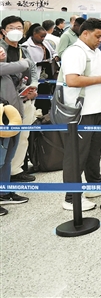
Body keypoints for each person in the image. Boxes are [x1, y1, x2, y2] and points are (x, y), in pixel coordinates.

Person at [60, 18, 101, 211]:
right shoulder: (75, 52)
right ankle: (71, 197)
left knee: (94, 151)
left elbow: (93, 75)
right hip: (81, 112)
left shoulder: (96, 52)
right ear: (85, 33)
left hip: (98, 108)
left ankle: (93, 183)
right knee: (77, 154)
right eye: (98, 36)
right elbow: (72, 80)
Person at [0, 15, 39, 183]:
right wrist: (23, 64)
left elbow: (32, 69)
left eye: (19, 28)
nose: (15, 31)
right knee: (5, 143)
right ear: (3, 31)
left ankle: (15, 170)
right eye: (11, 28)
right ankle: (6, 180)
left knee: (22, 137)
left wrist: (34, 86)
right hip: (5, 104)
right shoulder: (1, 49)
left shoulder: (24, 49)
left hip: (25, 100)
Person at [0, 45, 31, 211]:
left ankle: (4, 193)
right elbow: (23, 64)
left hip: (13, 120)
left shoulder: (6, 74)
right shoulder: (4, 68)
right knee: (0, 160)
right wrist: (25, 61)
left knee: (7, 159)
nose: (1, 50)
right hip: (2, 121)